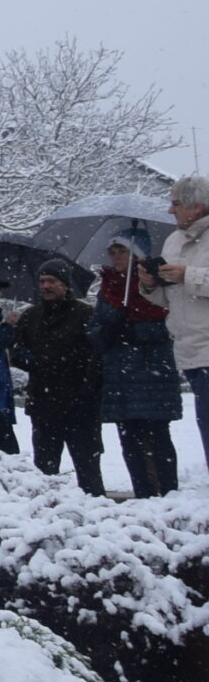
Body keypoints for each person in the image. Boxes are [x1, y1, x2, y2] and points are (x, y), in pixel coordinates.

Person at [93, 237, 181, 497]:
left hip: (151, 373)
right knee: (129, 437)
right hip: (119, 375)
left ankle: (167, 492)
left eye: (122, 251)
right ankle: (142, 491)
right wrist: (107, 332)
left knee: (157, 435)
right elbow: (94, 326)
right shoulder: (108, 289)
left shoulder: (154, 285)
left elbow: (170, 326)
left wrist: (136, 330)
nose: (116, 256)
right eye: (112, 252)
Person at [12, 261, 103, 495]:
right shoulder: (31, 316)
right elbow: (18, 352)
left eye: (51, 281)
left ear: (65, 284)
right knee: (44, 469)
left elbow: (94, 355)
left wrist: (65, 366)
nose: (46, 286)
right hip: (43, 402)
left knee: (88, 467)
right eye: (42, 281)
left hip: (79, 403)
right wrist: (30, 358)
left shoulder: (85, 314)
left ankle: (95, 506)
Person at [157, 176, 209, 465]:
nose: (170, 210)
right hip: (190, 352)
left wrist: (188, 275)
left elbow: (187, 280)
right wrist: (150, 285)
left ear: (197, 206)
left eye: (175, 204)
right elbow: (169, 299)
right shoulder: (172, 241)